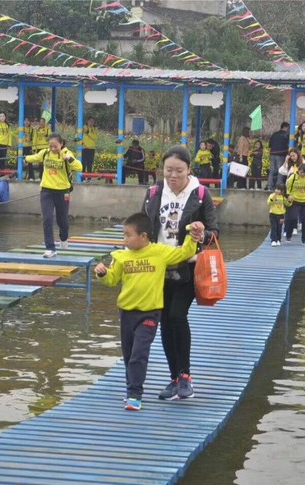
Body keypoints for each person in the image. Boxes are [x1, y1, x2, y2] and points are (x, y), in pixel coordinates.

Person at [95, 213, 204, 411]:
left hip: (150, 313)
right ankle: (131, 390)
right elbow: (112, 280)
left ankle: (135, 395)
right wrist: (102, 273)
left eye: (128, 235)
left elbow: (185, 253)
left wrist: (191, 234)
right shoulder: (120, 256)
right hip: (127, 313)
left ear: (143, 236)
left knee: (139, 353)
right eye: (124, 235)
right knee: (128, 354)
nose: (124, 240)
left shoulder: (159, 253)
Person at [141, 145, 219, 401]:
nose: (173, 176)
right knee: (164, 322)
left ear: (189, 170)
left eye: (179, 171)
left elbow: (214, 232)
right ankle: (174, 378)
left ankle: (186, 376)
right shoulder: (153, 193)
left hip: (188, 266)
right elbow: (143, 227)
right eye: (168, 170)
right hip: (159, 268)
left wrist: (202, 233)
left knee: (177, 316)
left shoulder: (200, 194)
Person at [24, 133, 82, 258]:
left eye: (55, 146)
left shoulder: (66, 153)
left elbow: (79, 167)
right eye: (51, 146)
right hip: (46, 191)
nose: (53, 149)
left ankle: (64, 238)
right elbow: (35, 157)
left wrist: (69, 159)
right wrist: (25, 158)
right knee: (47, 219)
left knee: (63, 221)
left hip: (63, 191)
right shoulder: (45, 153)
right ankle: (50, 248)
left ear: (61, 144)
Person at [268, 122, 290, 190]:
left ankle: (269, 186)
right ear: (285, 127)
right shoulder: (286, 135)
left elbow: (270, 144)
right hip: (281, 154)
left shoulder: (274, 134)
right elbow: (289, 144)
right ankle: (278, 186)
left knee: (272, 170)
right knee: (280, 170)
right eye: (288, 128)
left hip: (272, 154)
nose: (288, 130)